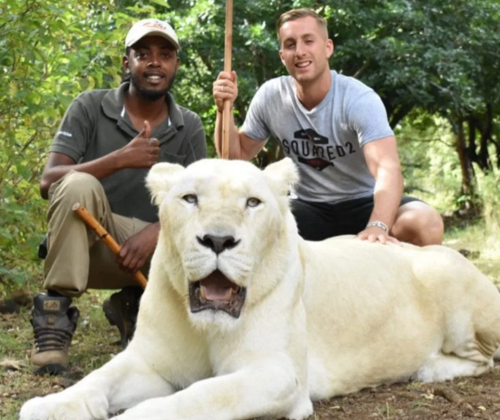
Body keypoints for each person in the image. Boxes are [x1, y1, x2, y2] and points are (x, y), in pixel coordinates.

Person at [30, 18, 207, 374]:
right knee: (78, 183)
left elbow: (201, 205)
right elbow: (48, 181)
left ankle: (134, 306)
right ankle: (54, 317)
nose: (154, 62)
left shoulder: (190, 125)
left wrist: (155, 233)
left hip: (155, 258)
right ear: (126, 63)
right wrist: (118, 160)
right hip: (89, 247)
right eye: (143, 54)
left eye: (165, 54)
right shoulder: (89, 107)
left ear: (175, 64)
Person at [213, 8, 443, 246]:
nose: (300, 51)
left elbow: (388, 169)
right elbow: (234, 158)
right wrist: (224, 110)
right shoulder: (271, 96)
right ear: (282, 56)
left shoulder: (359, 99)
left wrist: (378, 224)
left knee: (425, 223)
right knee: (245, 226)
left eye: (308, 41)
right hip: (306, 207)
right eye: (290, 44)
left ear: (328, 47)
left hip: (365, 201)